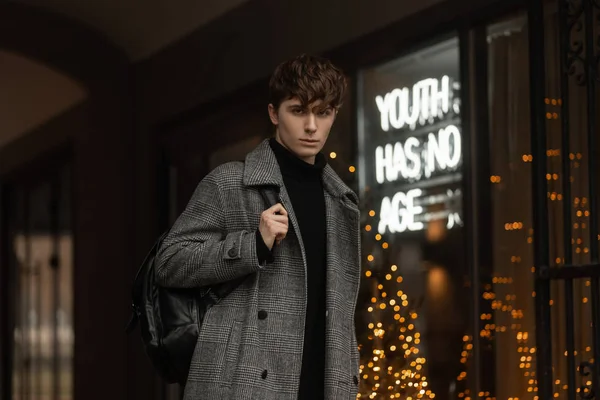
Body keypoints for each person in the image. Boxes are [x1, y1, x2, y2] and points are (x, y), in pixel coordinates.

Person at [155, 53, 361, 400]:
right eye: (298, 111)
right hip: (244, 382)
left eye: (323, 112)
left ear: (334, 115)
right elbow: (169, 262)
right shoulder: (230, 183)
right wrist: (251, 245)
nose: (311, 126)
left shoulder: (341, 203)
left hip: (321, 383)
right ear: (273, 113)